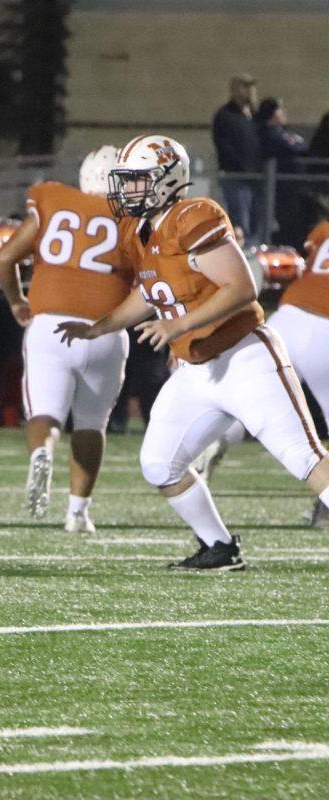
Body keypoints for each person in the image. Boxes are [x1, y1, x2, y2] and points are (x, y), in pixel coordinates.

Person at [58, 134, 329, 571]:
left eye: (136, 181)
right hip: (196, 369)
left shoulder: (192, 216)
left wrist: (178, 324)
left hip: (244, 356)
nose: (126, 192)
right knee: (159, 464)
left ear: (167, 180)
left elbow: (243, 287)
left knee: (304, 458)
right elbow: (149, 292)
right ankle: (219, 547)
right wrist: (99, 327)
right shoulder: (140, 230)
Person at [0, 145, 134, 533]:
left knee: (46, 414)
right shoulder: (135, 219)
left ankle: (42, 451)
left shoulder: (53, 199)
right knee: (92, 425)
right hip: (106, 330)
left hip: (51, 326)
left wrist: (17, 301)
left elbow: (6, 258)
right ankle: (78, 512)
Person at [264, 211, 329, 523]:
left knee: (246, 398)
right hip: (326, 329)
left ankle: (201, 457)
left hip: (286, 317)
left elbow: (302, 265)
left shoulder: (323, 228)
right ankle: (327, 505)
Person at [212, 74, 261, 240]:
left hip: (256, 178)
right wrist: (243, 167)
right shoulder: (225, 116)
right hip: (236, 177)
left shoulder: (254, 115)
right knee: (241, 220)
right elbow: (225, 147)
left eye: (251, 87)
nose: (250, 91)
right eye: (245, 87)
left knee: (256, 220)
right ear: (234, 90)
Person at [257, 97, 310, 248]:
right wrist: (296, 144)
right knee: (287, 224)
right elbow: (294, 147)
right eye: (280, 109)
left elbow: (302, 145)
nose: (283, 113)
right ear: (272, 113)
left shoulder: (282, 132)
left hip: (294, 189)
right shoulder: (268, 134)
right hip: (283, 190)